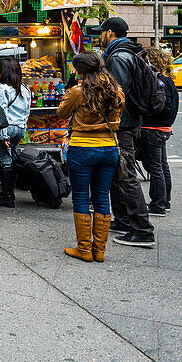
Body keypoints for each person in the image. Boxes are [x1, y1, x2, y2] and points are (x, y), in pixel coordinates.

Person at [57, 52, 124, 262]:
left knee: (80, 197)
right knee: (102, 197)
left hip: (82, 148)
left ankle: (84, 249)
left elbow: (61, 113)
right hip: (109, 148)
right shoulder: (116, 91)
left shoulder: (78, 92)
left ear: (80, 71)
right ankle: (100, 250)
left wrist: (69, 91)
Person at [98, 16, 156, 248]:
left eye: (101, 32)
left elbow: (116, 94)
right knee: (116, 174)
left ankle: (142, 230)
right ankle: (122, 220)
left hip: (123, 124)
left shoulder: (120, 56)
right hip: (124, 123)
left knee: (126, 175)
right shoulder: (123, 53)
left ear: (110, 33)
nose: (99, 36)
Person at [140, 48, 179, 217]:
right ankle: (165, 201)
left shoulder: (156, 80)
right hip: (164, 128)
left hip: (152, 128)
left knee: (155, 168)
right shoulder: (168, 80)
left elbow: (163, 106)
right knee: (162, 166)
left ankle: (158, 204)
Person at [0, 56, 31, 208]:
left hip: (7, 128)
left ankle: (7, 196)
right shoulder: (24, 88)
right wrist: (22, 130)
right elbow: (27, 112)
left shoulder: (0, 89)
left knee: (5, 160)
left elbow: (1, 115)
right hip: (19, 128)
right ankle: (8, 191)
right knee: (10, 158)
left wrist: (2, 136)